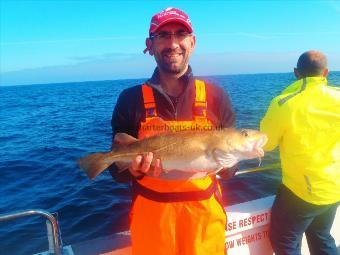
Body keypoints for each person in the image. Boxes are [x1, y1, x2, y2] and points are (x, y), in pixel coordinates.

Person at [108, 7, 235, 255]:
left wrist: (228, 163)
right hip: (152, 221)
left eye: (180, 34)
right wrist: (133, 169)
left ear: (193, 42)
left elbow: (230, 169)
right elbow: (117, 169)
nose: (173, 43)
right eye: (163, 35)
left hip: (204, 222)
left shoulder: (216, 96)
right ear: (150, 45)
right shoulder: (129, 99)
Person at [260, 50, 339, 255]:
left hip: (302, 190)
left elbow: (265, 144)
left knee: (285, 240)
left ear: (296, 72)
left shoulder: (283, 103)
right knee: (321, 235)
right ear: (326, 73)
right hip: (334, 186)